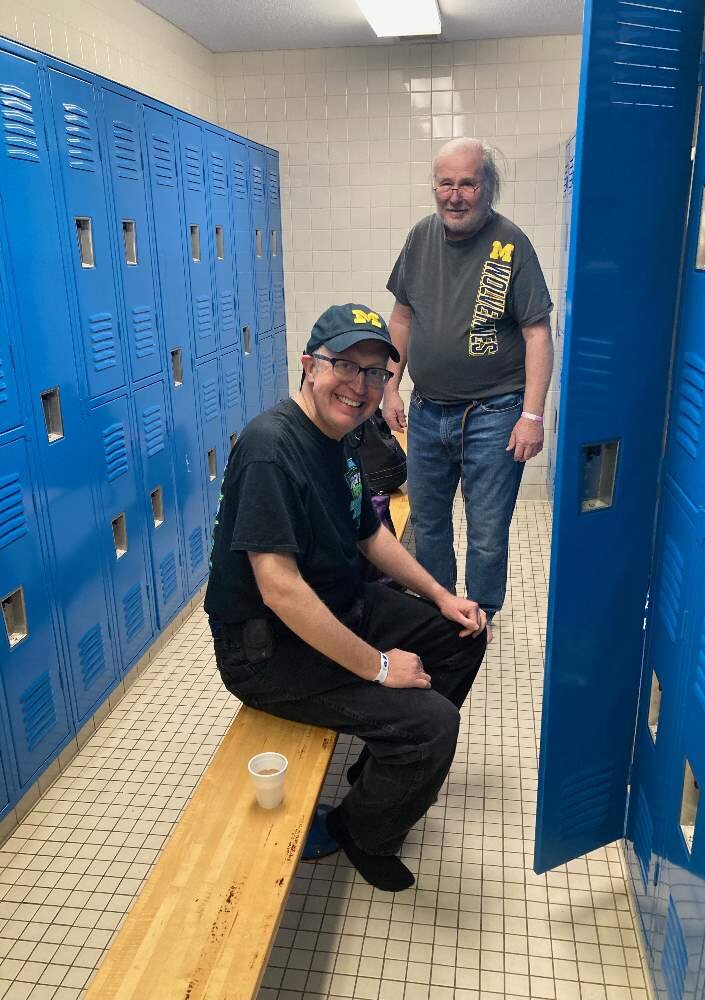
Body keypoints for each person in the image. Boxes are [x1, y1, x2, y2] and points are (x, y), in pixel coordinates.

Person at [204, 304, 487, 892]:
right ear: (309, 367)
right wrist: (381, 668)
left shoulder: (342, 436)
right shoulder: (270, 449)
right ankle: (361, 831)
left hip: (338, 605)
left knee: (462, 635)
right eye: (344, 366)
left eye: (376, 372)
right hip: (266, 652)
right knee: (432, 724)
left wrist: (438, 594)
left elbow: (367, 532)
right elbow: (280, 590)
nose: (360, 386)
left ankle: (380, 770)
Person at [384, 138, 554, 637]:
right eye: (446, 183)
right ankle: (439, 603)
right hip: (428, 409)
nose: (455, 195)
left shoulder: (511, 243)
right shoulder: (420, 237)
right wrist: (390, 386)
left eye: (467, 183)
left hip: (494, 412)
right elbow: (402, 314)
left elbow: (536, 332)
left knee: (486, 529)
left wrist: (533, 414)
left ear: (487, 188)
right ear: (434, 186)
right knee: (429, 521)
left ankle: (479, 613)